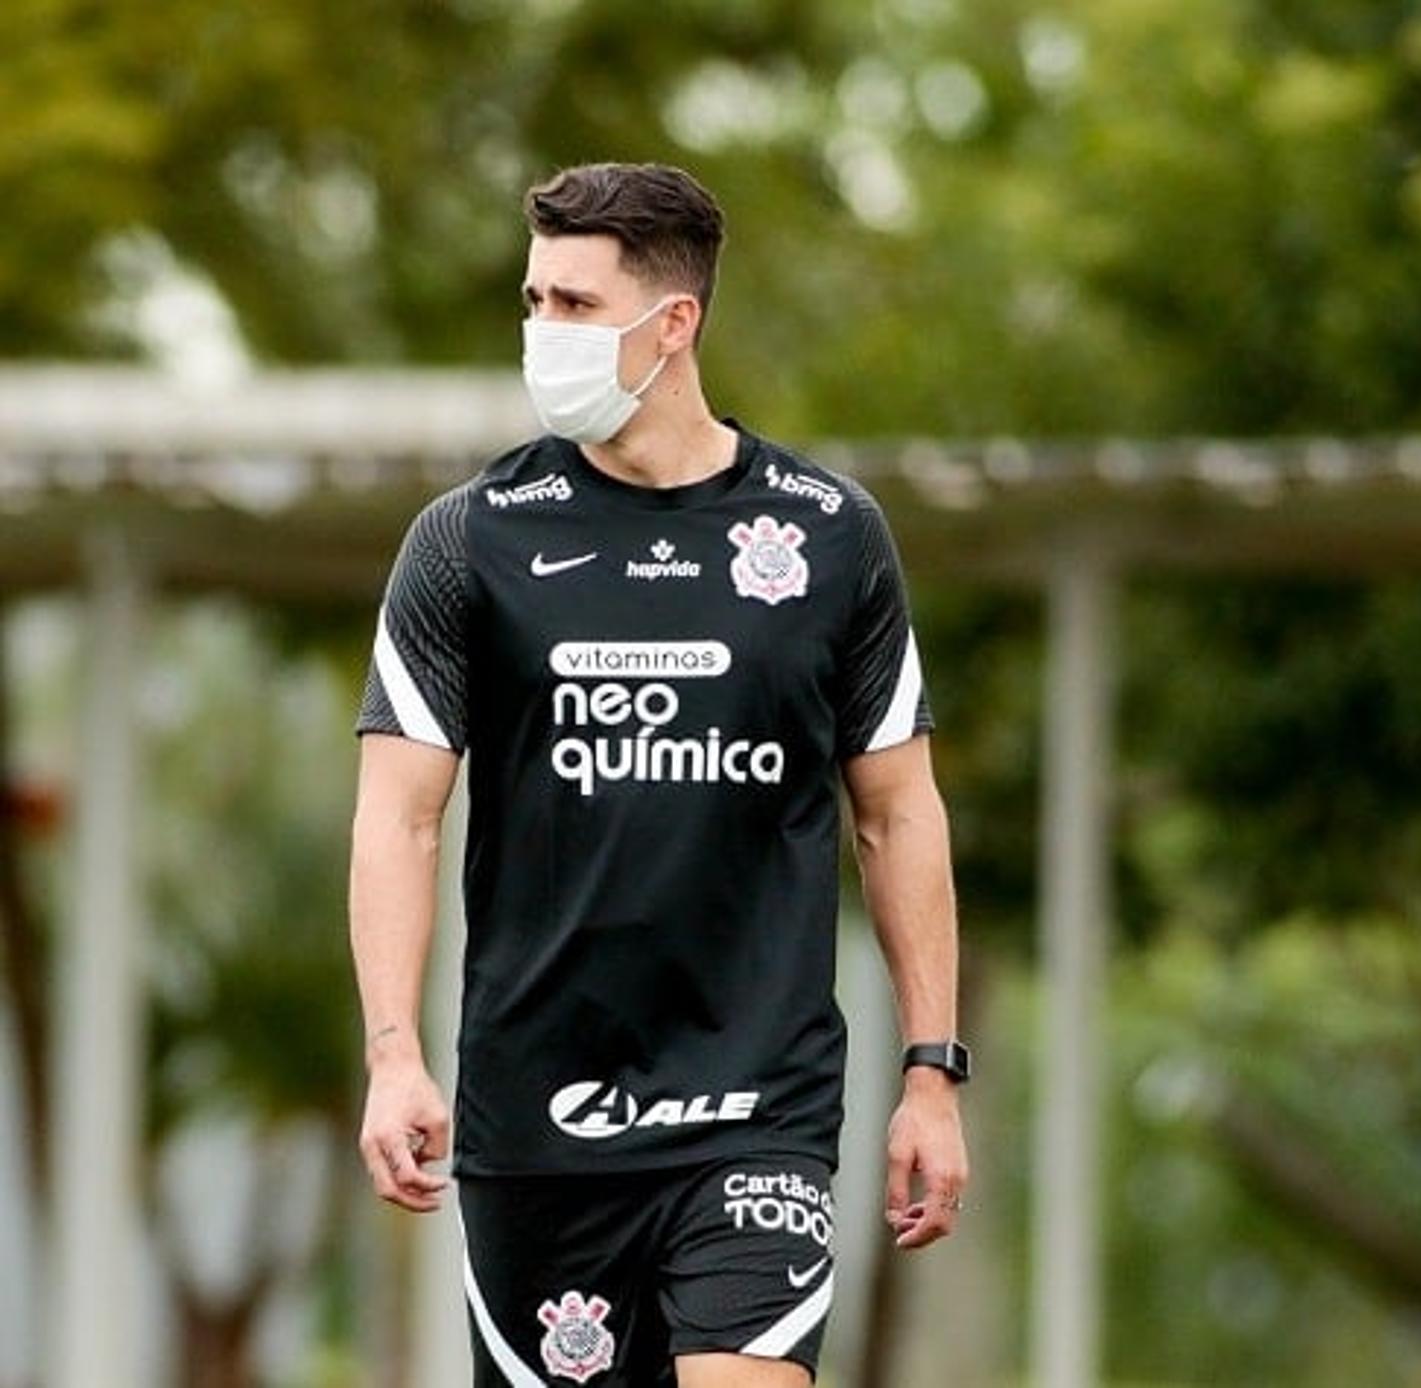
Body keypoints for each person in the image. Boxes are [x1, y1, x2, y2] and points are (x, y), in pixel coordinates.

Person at [349, 161, 970, 1388]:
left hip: (760, 1108)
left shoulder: (830, 533)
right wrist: (392, 1053)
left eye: (574, 306)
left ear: (673, 322)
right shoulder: (468, 539)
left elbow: (898, 814)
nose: (543, 335)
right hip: (537, 1120)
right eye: (533, 302)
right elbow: (399, 816)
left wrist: (931, 1071)